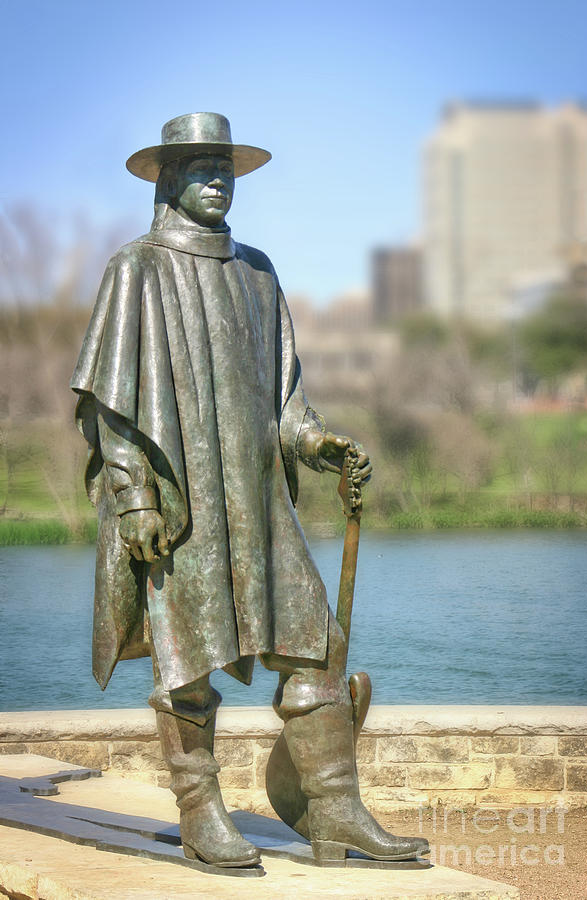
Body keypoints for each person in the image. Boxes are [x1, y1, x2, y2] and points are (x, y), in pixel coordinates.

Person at [71, 112, 428, 869]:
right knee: (185, 656)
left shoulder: (259, 273)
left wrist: (319, 442)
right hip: (180, 502)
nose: (218, 179)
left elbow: (285, 399)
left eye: (225, 167)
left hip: (259, 502)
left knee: (317, 645)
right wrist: (134, 498)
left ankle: (335, 810)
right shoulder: (135, 269)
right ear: (168, 180)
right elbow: (112, 405)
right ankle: (202, 812)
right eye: (201, 167)